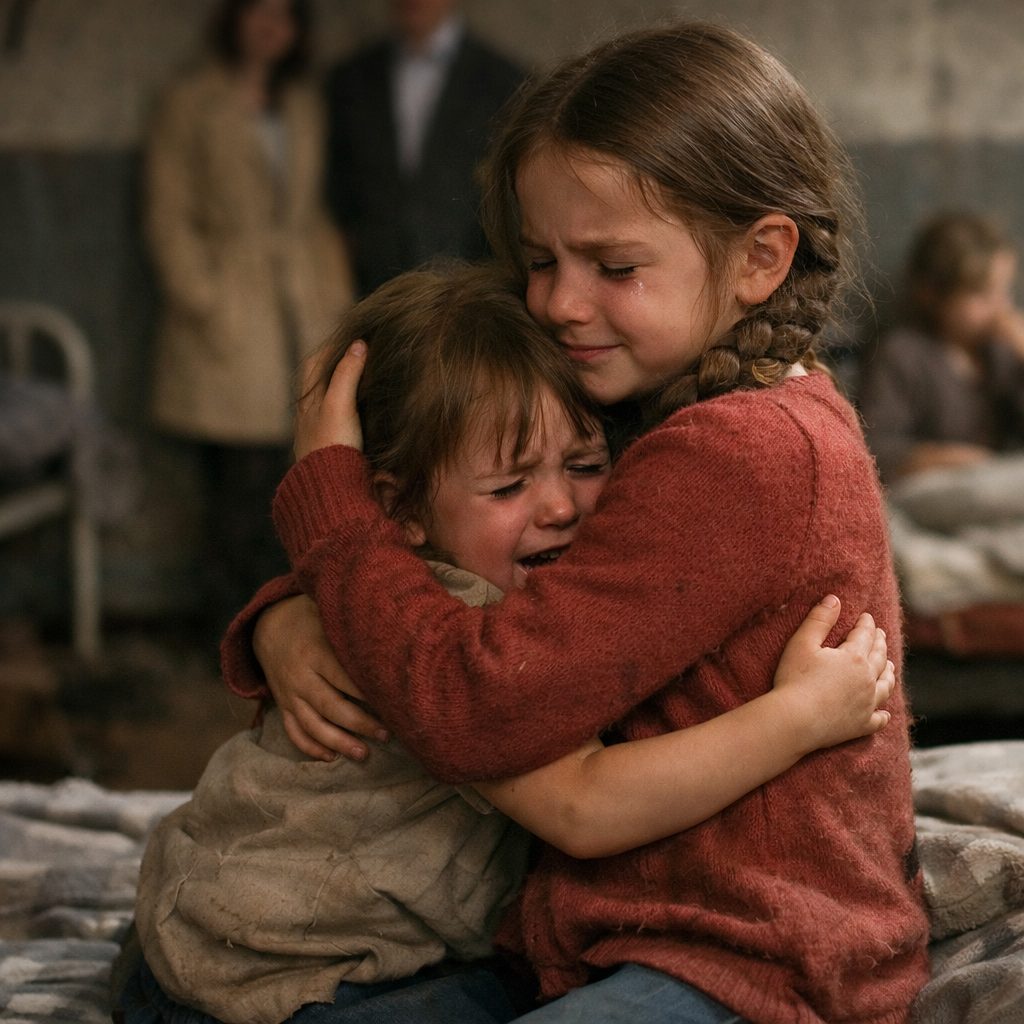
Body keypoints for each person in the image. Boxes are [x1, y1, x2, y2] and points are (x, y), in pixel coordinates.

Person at [224, 22, 932, 1023]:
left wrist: (332, 518)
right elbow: (454, 576)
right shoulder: (659, 394)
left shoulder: (739, 451)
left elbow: (478, 701)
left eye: (611, 265)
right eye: (541, 257)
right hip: (601, 932)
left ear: (759, 258)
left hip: (750, 960)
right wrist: (286, 614)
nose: (557, 301)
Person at [120, 265, 893, 1024]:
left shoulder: (385, 593)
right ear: (398, 510)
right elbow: (583, 805)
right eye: (507, 487)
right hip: (283, 983)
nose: (559, 505)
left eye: (587, 467)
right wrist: (798, 718)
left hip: (213, 938)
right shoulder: (450, 633)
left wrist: (282, 613)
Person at [145, 0, 353, 626]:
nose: (271, 28)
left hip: (298, 297)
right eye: (260, 14)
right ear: (234, 20)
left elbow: (311, 207)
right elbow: (168, 211)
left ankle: (277, 620)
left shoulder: (302, 105)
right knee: (236, 479)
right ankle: (226, 622)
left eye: (284, 18)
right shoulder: (191, 101)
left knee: (295, 467)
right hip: (231, 300)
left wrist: (333, 294)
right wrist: (201, 294)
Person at [324, 0, 524, 295]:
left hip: (468, 292)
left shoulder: (503, 81)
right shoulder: (350, 79)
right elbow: (337, 187)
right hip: (372, 291)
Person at [858, 210, 1024, 485]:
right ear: (932, 293)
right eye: (981, 293)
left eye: (1004, 290)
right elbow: (873, 447)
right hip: (934, 489)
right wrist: (941, 459)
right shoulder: (903, 353)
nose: (1000, 306)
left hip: (996, 486)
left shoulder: (1000, 354)